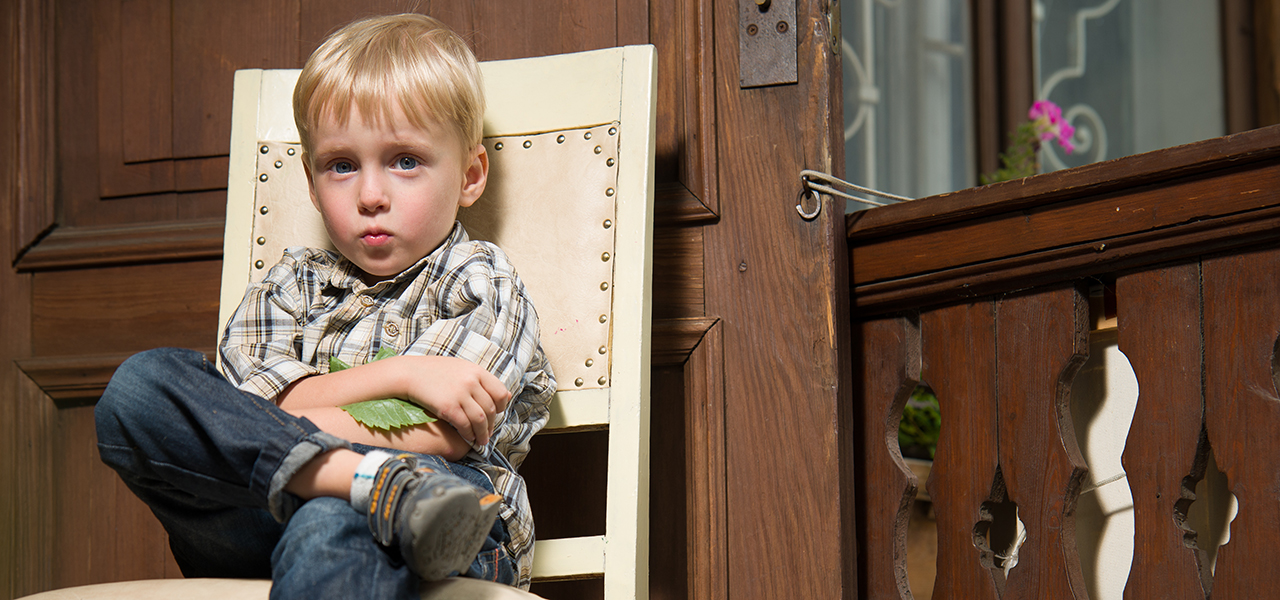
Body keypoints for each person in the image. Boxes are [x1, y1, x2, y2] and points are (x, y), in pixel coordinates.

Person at [94, 13, 554, 598]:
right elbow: (246, 405)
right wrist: (404, 374)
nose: (370, 196)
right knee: (140, 387)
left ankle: (365, 491)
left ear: (469, 174)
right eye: (341, 166)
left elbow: (441, 433)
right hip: (261, 513)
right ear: (312, 186)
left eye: (405, 161)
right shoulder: (288, 284)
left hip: (445, 518)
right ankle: (365, 481)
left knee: (333, 518)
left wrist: (271, 426)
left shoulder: (480, 279)